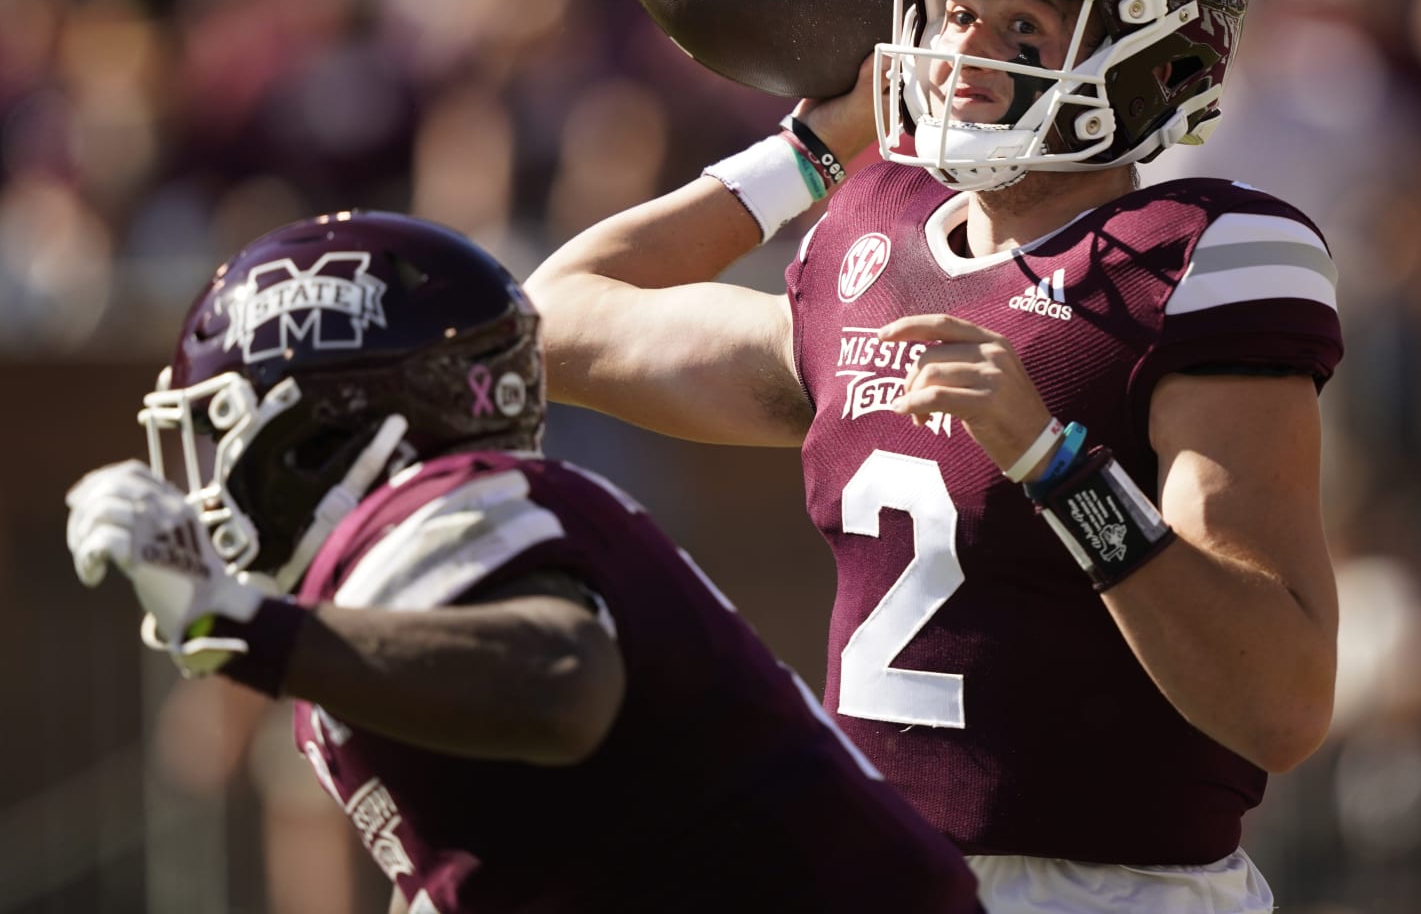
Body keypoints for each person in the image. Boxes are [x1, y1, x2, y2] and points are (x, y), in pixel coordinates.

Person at [527, 0, 1345, 912]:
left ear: (1156, 58)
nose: (964, 57)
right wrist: (806, 156)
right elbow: (551, 320)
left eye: (1024, 25)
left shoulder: (1196, 260)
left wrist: (1055, 465)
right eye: (956, 12)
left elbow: (1280, 703)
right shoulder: (873, 242)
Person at [63, 211, 984, 914]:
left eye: (221, 428)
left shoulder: (439, 507)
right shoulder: (389, 579)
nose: (206, 477)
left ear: (318, 428)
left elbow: (561, 682)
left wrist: (237, 625)